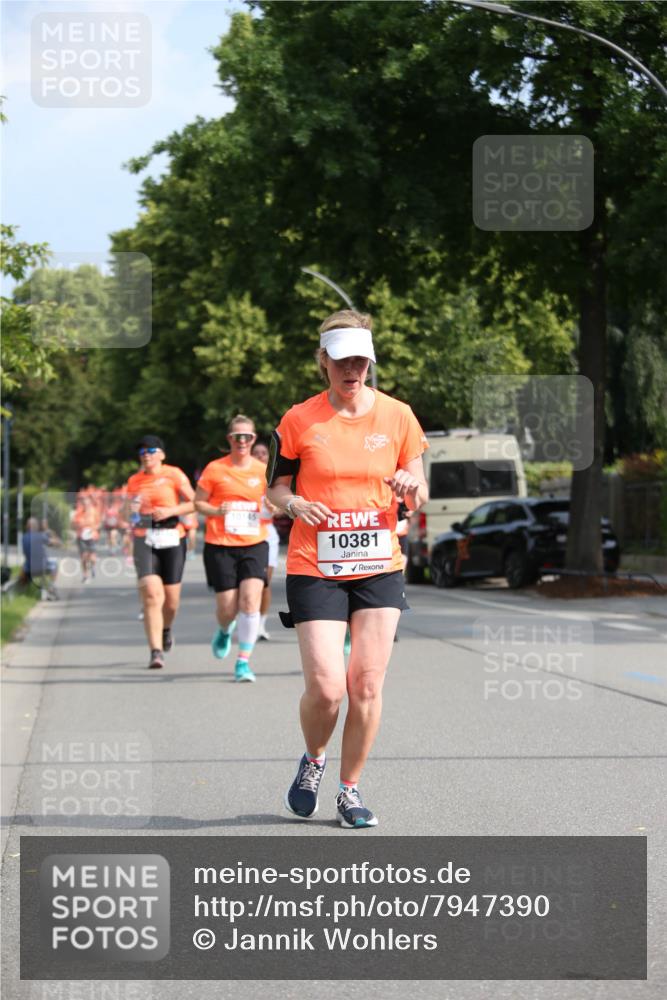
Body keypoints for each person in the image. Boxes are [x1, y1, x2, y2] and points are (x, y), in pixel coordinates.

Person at [267, 309, 428, 829]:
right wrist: (293, 506)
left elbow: (420, 492)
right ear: (323, 361)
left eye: (361, 359)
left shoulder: (399, 416)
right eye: (342, 360)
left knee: (366, 685)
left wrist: (409, 485)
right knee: (328, 688)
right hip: (316, 563)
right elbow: (275, 489)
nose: (352, 369)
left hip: (379, 563)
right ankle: (313, 760)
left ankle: (350, 791)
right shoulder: (298, 420)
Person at [195, 415, 269, 683]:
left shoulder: (262, 470)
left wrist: (274, 508)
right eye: (237, 436)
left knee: (250, 601)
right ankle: (225, 629)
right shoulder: (215, 469)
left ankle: (243, 662)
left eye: (247, 437)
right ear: (229, 440)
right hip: (220, 545)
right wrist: (217, 510)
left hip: (254, 543)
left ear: (253, 439)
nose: (242, 441)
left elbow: (273, 502)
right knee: (227, 608)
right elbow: (197, 503)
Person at [124, 435, 195, 670]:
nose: (146, 455)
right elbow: (126, 513)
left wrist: (170, 510)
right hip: (144, 539)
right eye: (142, 452)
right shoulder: (134, 480)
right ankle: (155, 651)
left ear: (162, 454)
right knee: (152, 594)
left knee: (171, 601)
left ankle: (166, 630)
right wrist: (131, 509)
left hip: (172, 536)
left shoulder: (174, 474)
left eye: (151, 450)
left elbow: (195, 502)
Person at [251, 440, 280, 640]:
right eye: (257, 453)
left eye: (264, 453)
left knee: (265, 583)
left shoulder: (273, 479)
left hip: (267, 532)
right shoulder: (244, 477)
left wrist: (274, 508)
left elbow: (282, 509)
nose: (261, 455)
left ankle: (260, 625)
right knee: (247, 583)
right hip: (245, 533)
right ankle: (247, 618)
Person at [20, 517, 60, 598]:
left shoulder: (24, 537)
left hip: (29, 569)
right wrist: (49, 530)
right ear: (36, 526)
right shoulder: (41, 536)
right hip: (43, 567)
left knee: (25, 564)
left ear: (27, 526)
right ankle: (51, 585)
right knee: (55, 564)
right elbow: (57, 542)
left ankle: (23, 591)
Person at [72, 495, 100, 583]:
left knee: (92, 559)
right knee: (83, 557)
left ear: (90, 503)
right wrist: (77, 526)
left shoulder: (94, 511)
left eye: (86, 501)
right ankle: (85, 576)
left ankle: (92, 566)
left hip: (92, 536)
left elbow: (99, 523)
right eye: (83, 502)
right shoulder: (78, 512)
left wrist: (93, 529)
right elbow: (73, 525)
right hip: (81, 537)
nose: (85, 503)